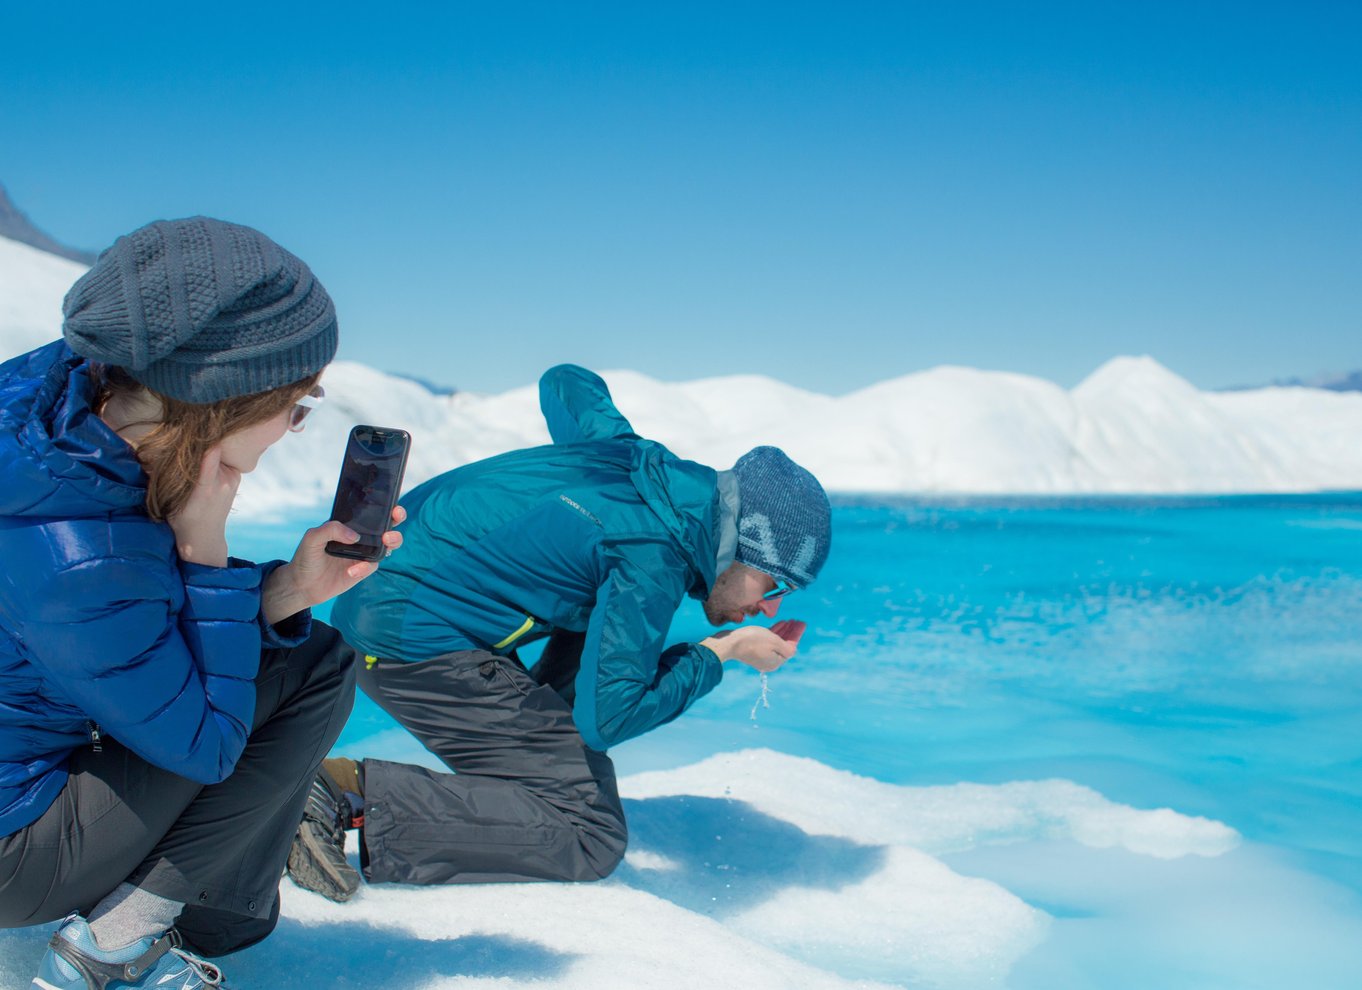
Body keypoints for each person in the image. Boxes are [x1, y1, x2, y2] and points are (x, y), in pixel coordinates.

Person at [0, 217, 404, 990]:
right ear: (227, 398)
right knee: (317, 668)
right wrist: (207, 551)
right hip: (12, 853)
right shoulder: (78, 554)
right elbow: (210, 744)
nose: (294, 428)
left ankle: (207, 910)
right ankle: (112, 947)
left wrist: (290, 590)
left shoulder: (60, 427)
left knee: (306, 651)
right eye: (299, 404)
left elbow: (135, 634)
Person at [287, 364, 830, 899]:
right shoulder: (651, 555)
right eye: (777, 583)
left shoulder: (632, 458)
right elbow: (610, 718)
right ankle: (339, 792)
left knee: (584, 674)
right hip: (405, 638)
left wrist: (603, 451)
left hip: (396, 603)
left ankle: (486, 782)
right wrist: (723, 651)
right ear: (742, 547)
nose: (770, 605)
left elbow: (565, 382)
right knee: (587, 830)